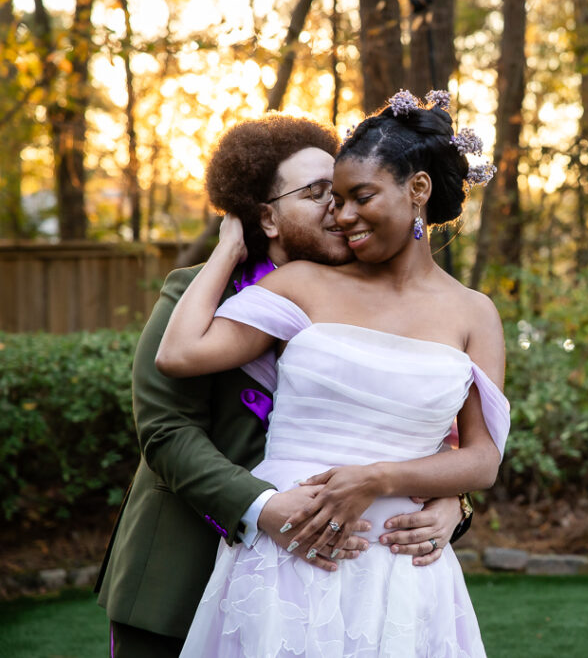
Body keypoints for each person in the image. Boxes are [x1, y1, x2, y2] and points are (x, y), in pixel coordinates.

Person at [94, 113, 470, 658]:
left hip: (327, 585)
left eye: (342, 191)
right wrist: (263, 507)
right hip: (180, 575)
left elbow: (423, 434)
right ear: (267, 217)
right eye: (318, 192)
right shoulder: (201, 295)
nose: (338, 209)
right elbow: (166, 432)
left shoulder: (385, 304)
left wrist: (452, 504)